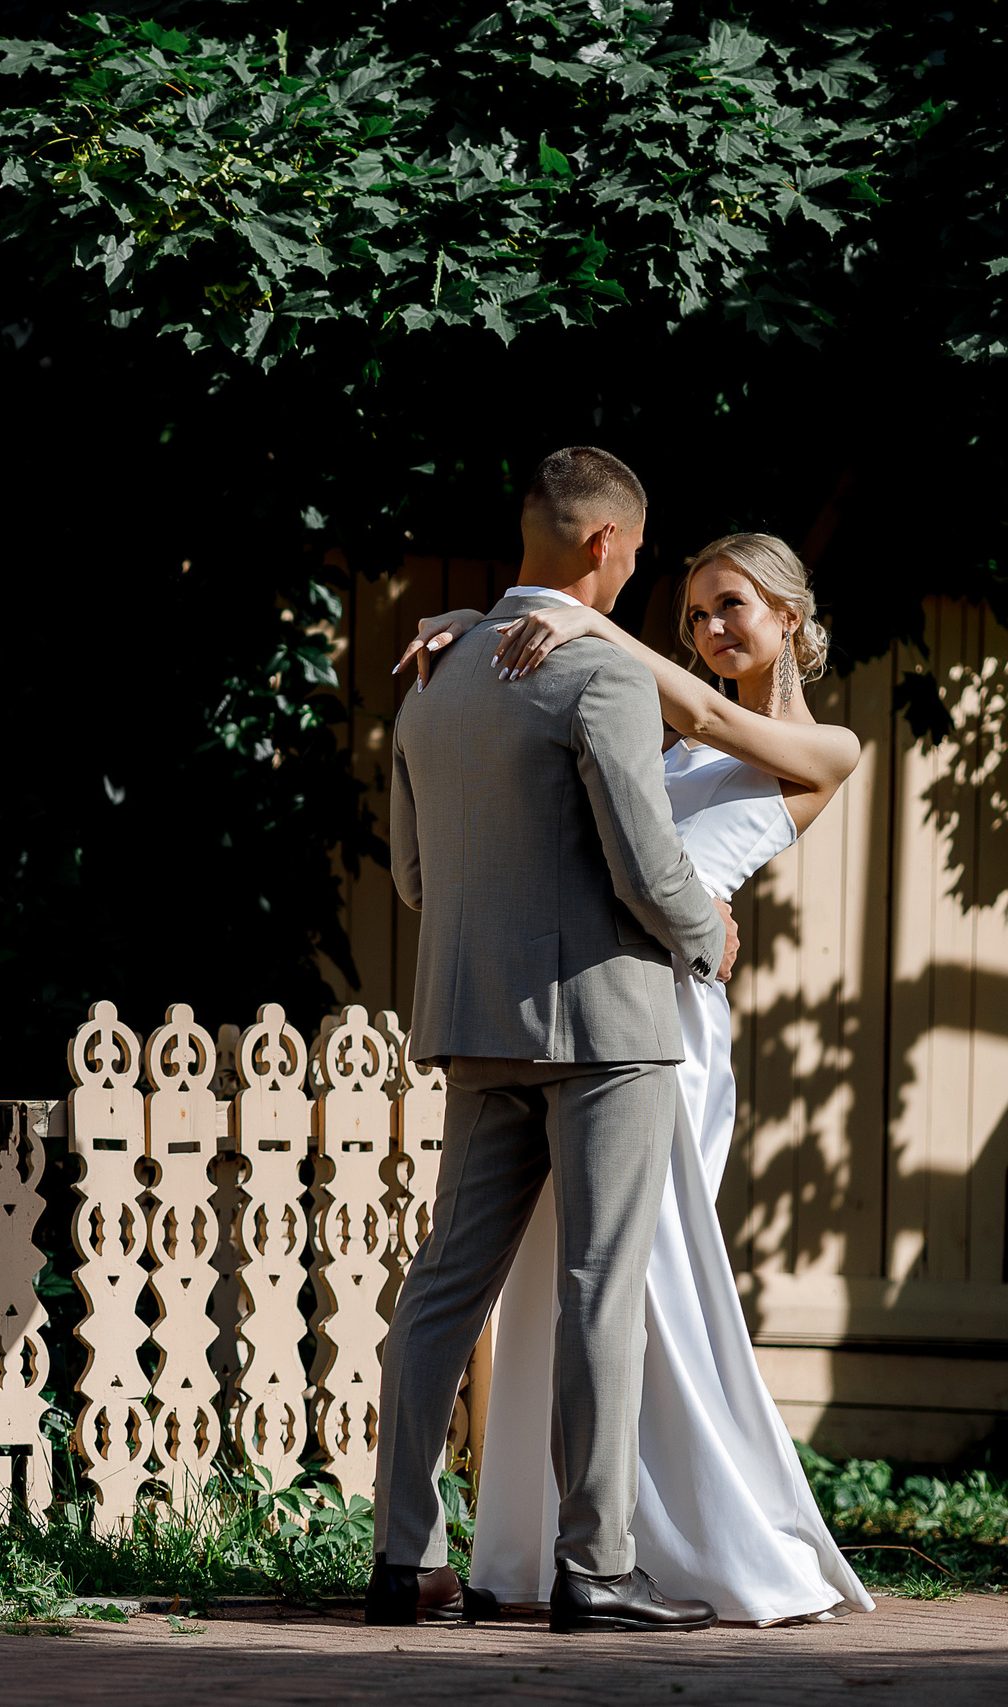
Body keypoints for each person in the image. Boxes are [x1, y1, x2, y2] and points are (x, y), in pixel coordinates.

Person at [396, 530, 874, 1626]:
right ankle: (553, 1544)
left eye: (733, 607)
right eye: (698, 613)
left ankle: (673, 1537)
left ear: (789, 619)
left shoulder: (826, 746)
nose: (711, 630)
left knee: (643, 1278)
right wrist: (472, 639)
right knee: (567, 1274)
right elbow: (578, 767)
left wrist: (591, 624)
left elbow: (709, 724)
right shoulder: (651, 703)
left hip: (672, 1019)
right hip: (606, 996)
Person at [371, 446, 735, 1635]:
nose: (635, 571)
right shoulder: (598, 674)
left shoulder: (428, 669)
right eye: (635, 550)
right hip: (606, 1026)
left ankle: (401, 1561)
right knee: (597, 1289)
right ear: (601, 543)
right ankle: (595, 1568)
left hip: (473, 1021)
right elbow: (643, 863)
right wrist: (705, 936)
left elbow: (415, 880)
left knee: (439, 1294)